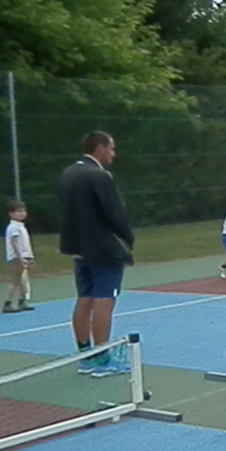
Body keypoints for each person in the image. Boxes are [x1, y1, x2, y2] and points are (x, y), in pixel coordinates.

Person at [58, 131, 134, 376]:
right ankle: (102, 358)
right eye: (111, 148)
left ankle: (85, 356)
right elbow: (114, 214)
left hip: (78, 248)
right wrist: (126, 242)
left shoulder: (68, 173)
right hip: (103, 248)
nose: (113, 153)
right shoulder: (100, 176)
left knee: (85, 297)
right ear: (100, 148)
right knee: (105, 299)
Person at [2, 201, 35, 313]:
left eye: (23, 211)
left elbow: (25, 244)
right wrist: (20, 257)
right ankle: (7, 303)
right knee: (15, 281)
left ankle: (22, 301)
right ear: (11, 214)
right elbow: (15, 242)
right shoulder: (13, 227)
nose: (22, 213)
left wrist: (29, 257)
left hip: (24, 256)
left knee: (23, 280)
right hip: (17, 257)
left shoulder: (21, 226)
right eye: (19, 211)